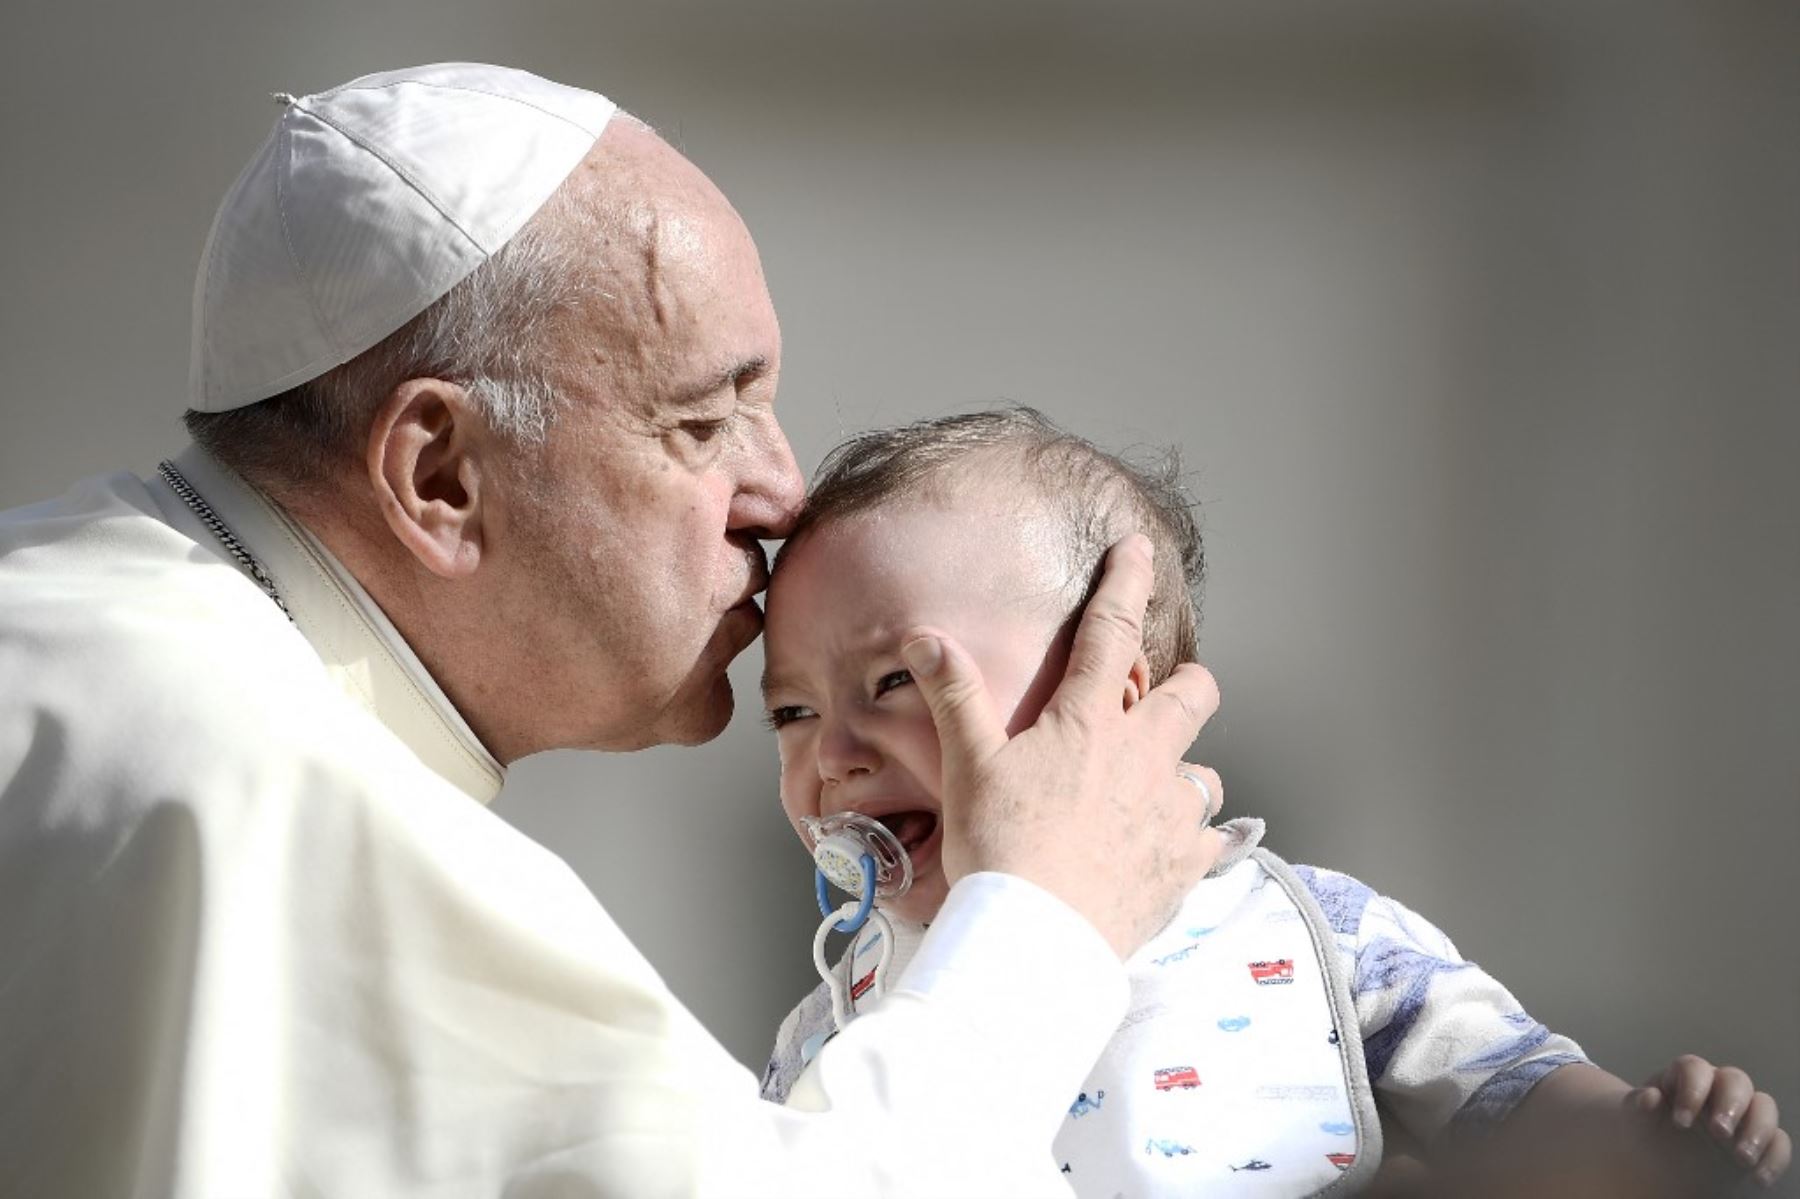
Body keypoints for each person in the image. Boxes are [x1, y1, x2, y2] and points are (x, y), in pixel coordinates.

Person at [0, 65, 1228, 1196]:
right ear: (440, 476)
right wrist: (1043, 914)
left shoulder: (75, 617)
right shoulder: (271, 786)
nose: (783, 494)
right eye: (706, 421)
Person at [757, 406, 1792, 1196]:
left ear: (1107, 693)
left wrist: (1647, 1136)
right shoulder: (844, 1021)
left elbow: (1505, 1098)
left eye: (897, 682)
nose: (834, 754)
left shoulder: (1308, 932)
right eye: (792, 711)